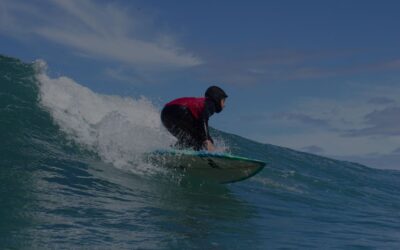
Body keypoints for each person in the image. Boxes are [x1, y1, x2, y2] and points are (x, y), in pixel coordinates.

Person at [161, 86, 228, 151]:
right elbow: (203, 118)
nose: (224, 105)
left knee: (188, 140)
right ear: (217, 98)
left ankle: (173, 150)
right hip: (179, 110)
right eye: (223, 101)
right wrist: (207, 140)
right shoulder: (210, 104)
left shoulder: (202, 103)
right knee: (200, 140)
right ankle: (209, 152)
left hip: (165, 114)